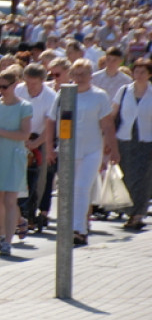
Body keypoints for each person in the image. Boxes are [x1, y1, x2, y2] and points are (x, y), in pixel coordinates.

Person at [57, 59, 118, 246]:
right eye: (76, 74)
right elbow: (53, 119)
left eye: (84, 74)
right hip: (69, 149)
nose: (80, 78)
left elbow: (107, 124)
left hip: (92, 150)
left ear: (91, 75)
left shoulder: (99, 96)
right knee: (69, 190)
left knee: (82, 187)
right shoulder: (65, 94)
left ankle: (79, 229)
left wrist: (113, 149)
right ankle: (73, 225)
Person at [0, 67, 32, 256]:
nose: (1, 89)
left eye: (5, 86)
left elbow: (24, 134)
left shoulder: (24, 106)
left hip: (14, 155)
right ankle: (0, 233)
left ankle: (8, 240)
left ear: (15, 85)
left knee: (11, 200)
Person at [16, 63, 57, 232]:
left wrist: (36, 143)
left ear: (42, 81)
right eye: (27, 82)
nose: (30, 86)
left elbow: (50, 125)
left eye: (34, 83)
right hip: (19, 136)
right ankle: (18, 211)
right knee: (17, 176)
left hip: (40, 137)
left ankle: (34, 210)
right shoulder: (18, 90)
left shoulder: (51, 97)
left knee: (40, 178)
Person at [113, 58, 152, 230]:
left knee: (143, 178)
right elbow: (114, 114)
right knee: (127, 175)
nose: (139, 75)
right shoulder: (123, 91)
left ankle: (138, 214)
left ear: (149, 74)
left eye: (143, 72)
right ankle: (130, 212)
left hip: (146, 140)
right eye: (136, 71)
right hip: (125, 139)